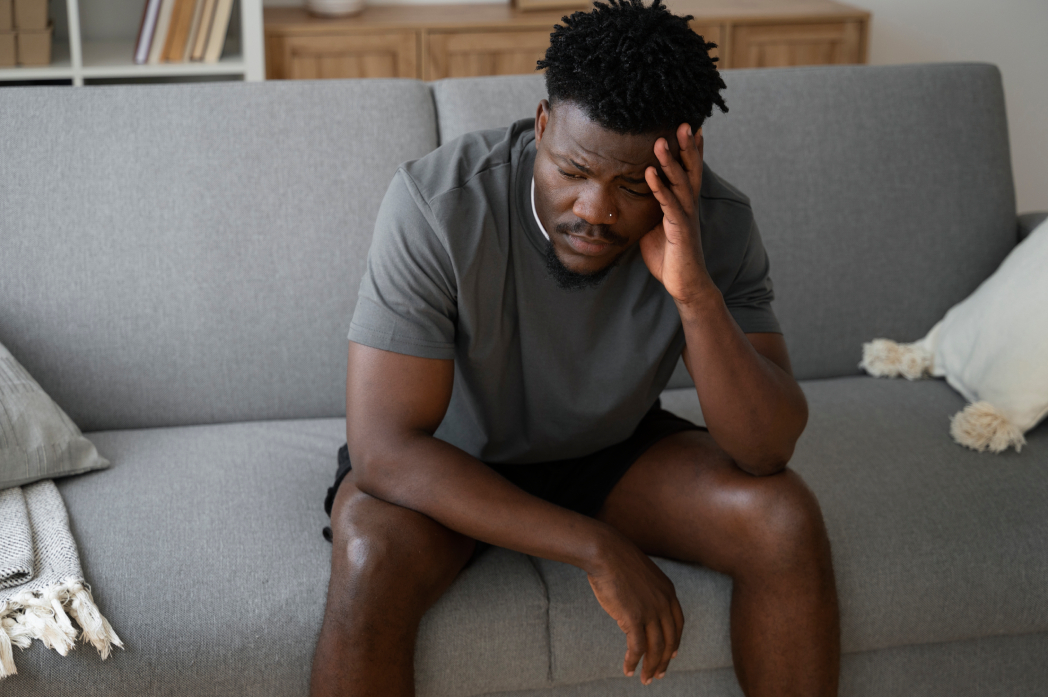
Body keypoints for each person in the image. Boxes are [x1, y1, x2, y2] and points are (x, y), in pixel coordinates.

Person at [310, 0, 840, 694]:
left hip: (608, 450)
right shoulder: (436, 203)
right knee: (369, 551)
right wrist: (593, 545)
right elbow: (384, 449)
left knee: (783, 519)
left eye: (631, 185)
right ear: (540, 126)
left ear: (683, 160)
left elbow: (765, 448)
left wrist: (696, 295)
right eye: (572, 169)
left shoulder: (717, 223)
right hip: (449, 455)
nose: (594, 210)